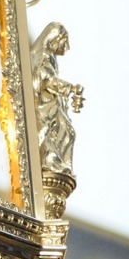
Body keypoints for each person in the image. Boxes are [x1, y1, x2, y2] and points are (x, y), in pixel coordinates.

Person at [30, 23, 84, 176]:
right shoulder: (43, 57)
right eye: (64, 41)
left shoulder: (50, 58)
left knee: (67, 132)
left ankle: (59, 167)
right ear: (55, 39)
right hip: (46, 109)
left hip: (52, 106)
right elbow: (47, 81)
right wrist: (70, 88)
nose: (66, 47)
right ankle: (52, 164)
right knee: (65, 132)